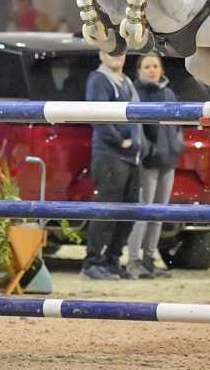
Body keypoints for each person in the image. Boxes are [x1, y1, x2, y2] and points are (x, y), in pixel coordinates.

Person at [81, 50, 146, 280]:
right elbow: (97, 117)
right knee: (106, 210)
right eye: (111, 51)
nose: (117, 55)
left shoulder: (126, 81)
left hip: (131, 157)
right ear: (100, 54)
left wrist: (140, 145)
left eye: (121, 51)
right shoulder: (99, 80)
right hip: (111, 156)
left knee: (128, 211)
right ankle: (93, 262)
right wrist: (121, 141)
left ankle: (112, 260)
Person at [126, 53, 184, 279]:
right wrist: (147, 148)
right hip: (149, 161)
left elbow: (177, 123)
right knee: (143, 211)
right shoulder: (137, 93)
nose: (152, 70)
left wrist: (177, 144)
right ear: (140, 70)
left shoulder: (168, 92)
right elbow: (137, 126)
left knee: (159, 212)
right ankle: (133, 260)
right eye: (147, 66)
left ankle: (149, 259)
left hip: (169, 159)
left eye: (155, 66)